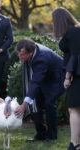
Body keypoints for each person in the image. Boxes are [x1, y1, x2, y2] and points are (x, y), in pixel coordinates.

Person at [14, 39, 65, 142]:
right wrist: (29, 97)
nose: (20, 57)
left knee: (49, 104)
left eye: (23, 55)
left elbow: (36, 82)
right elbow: (34, 80)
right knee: (35, 103)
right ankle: (40, 135)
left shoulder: (41, 58)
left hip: (56, 78)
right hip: (43, 76)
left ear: (31, 52)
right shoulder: (31, 51)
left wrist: (24, 105)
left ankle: (51, 136)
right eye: (19, 54)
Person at [52, 7, 80, 150]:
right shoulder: (74, 30)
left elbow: (75, 56)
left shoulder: (73, 32)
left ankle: (74, 144)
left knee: (74, 109)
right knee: (75, 109)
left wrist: (67, 77)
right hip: (76, 73)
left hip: (77, 75)